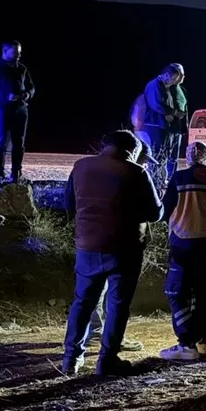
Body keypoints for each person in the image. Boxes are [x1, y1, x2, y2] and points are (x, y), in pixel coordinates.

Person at [60, 131, 163, 376]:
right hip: (124, 249)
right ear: (133, 150)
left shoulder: (81, 166)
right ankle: (107, 360)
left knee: (83, 302)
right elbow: (155, 214)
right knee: (117, 304)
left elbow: (69, 204)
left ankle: (71, 358)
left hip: (87, 245)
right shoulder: (136, 172)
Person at [159, 141, 206, 361]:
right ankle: (202, 340)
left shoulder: (179, 178)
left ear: (188, 157)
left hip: (183, 244)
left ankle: (186, 344)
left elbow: (165, 211)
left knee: (178, 293)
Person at [86, 140, 159, 353]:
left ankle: (92, 334)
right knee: (117, 297)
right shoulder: (134, 177)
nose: (145, 166)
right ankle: (110, 341)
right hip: (121, 244)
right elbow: (155, 212)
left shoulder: (96, 172)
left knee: (94, 290)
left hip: (91, 239)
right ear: (134, 156)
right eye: (144, 161)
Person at [0, 41, 35, 185]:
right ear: (5, 52)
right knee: (0, 141)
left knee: (19, 142)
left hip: (21, 109)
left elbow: (31, 87)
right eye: (15, 52)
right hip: (1, 108)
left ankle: (16, 174)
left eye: (19, 52)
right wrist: (4, 97)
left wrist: (27, 95)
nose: (18, 55)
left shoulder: (22, 69)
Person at [139, 63, 187, 180]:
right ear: (166, 75)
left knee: (167, 155)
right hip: (155, 125)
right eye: (174, 78)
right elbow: (157, 105)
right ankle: (156, 180)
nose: (174, 81)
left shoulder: (167, 86)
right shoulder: (154, 85)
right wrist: (173, 112)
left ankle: (165, 180)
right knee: (158, 155)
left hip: (164, 126)